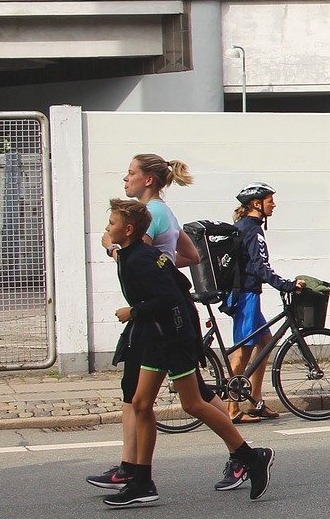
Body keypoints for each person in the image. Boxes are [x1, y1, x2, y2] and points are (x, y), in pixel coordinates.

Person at [99, 198, 272, 507]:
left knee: (192, 404)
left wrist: (134, 312)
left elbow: (169, 297)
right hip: (160, 335)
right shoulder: (135, 254)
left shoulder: (141, 259)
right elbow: (177, 282)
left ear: (127, 230)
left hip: (172, 337)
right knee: (140, 404)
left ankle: (250, 456)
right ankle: (141, 481)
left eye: (111, 224)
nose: (106, 228)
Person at [89, 154, 230, 495]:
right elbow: (191, 257)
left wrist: (113, 250)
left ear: (148, 180)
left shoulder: (149, 217)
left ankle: (135, 471)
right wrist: (166, 267)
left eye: (131, 173)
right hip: (166, 318)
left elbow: (139, 258)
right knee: (182, 396)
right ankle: (134, 469)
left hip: (157, 322)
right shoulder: (165, 212)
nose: (126, 178)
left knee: (161, 399)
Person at [224, 183, 296, 426]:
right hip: (246, 296)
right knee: (242, 352)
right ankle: (232, 408)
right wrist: (285, 284)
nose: (273, 204)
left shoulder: (245, 227)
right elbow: (260, 266)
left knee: (265, 342)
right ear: (256, 204)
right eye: (269, 200)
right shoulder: (252, 230)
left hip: (246, 294)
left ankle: (255, 401)